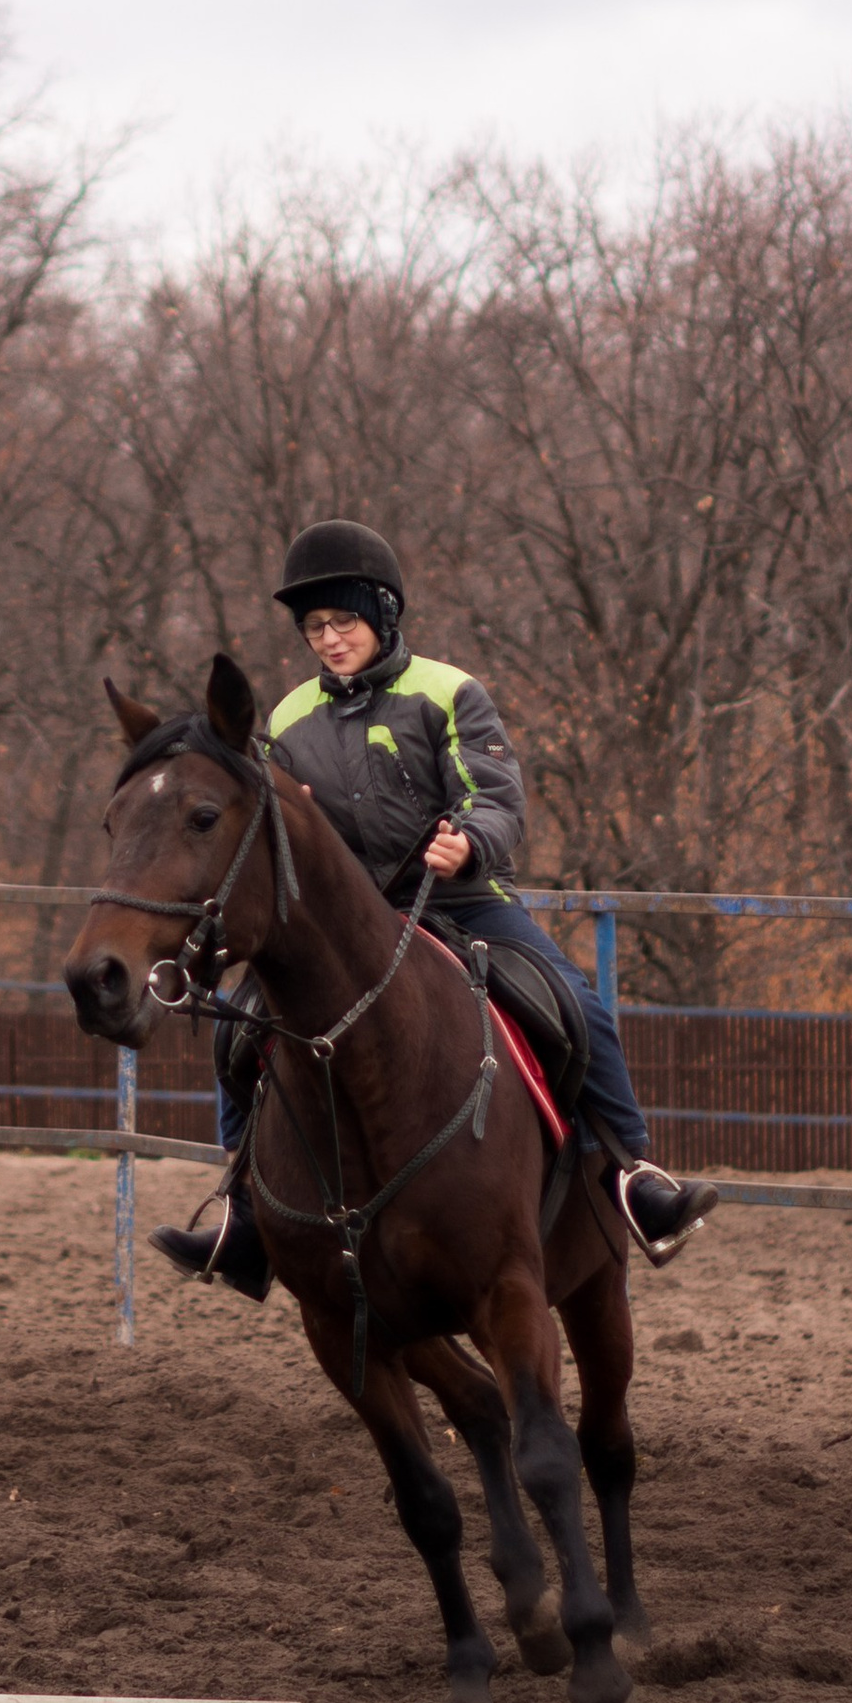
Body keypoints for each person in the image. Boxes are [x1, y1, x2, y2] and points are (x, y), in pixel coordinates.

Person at [153, 518, 719, 1298]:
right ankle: (242, 1211)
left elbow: (498, 799)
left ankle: (636, 1174)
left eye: (342, 621)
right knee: (246, 1030)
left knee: (577, 1004)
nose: (328, 638)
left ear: (383, 616)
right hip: (353, 924)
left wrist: (469, 842)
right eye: (314, 627)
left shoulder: (449, 693)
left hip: (462, 901)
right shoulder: (284, 723)